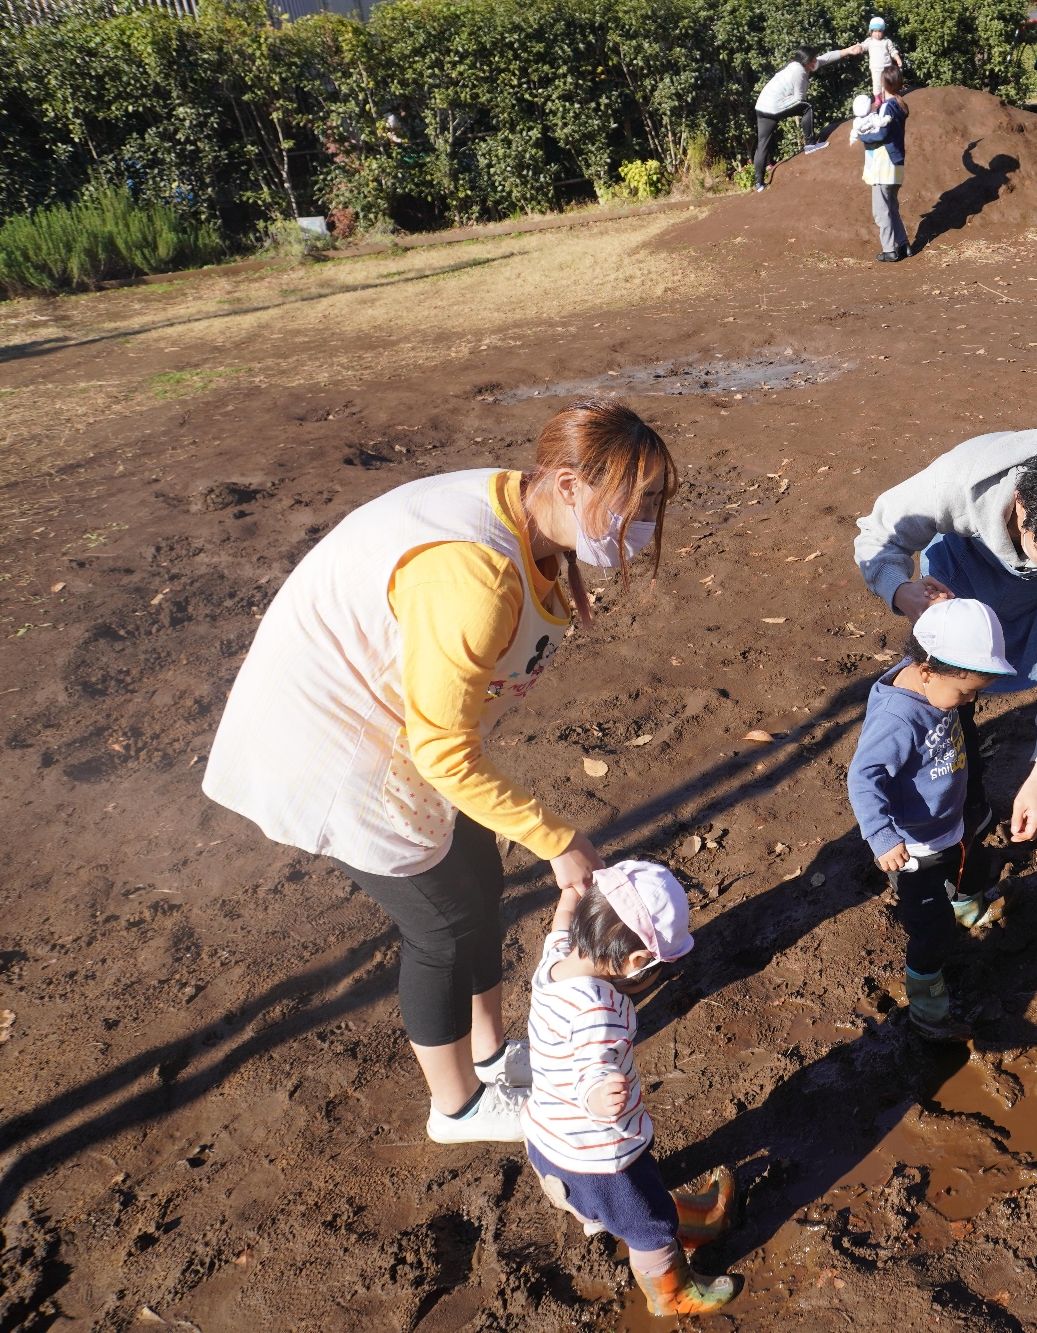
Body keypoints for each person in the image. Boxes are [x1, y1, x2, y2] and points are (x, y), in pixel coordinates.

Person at [203, 400, 675, 1144]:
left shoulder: (526, 507)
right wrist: (557, 838)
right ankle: (455, 1105)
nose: (643, 522)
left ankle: (488, 1054)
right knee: (442, 927)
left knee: (479, 879)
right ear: (566, 484)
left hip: (399, 717)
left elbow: (448, 724)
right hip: (335, 735)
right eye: (633, 504)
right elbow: (443, 751)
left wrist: (560, 563)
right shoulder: (475, 577)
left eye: (652, 503)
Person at [854, 431, 1037, 878]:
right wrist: (899, 589)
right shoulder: (963, 479)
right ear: (1021, 507)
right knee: (950, 700)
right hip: (962, 583)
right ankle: (967, 803)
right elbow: (879, 533)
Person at [525, 862, 740, 1315]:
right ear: (635, 963)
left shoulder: (556, 960)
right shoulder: (598, 1009)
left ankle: (673, 1219)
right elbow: (591, 1062)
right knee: (649, 1226)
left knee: (632, 1205)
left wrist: (569, 893)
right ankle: (670, 1293)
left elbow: (561, 922)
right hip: (600, 1161)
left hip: (548, 1139)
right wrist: (599, 1093)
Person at [847, 600, 1014, 1041]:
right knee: (931, 932)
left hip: (951, 823)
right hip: (914, 847)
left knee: (971, 869)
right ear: (925, 670)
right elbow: (863, 777)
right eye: (965, 693)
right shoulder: (897, 718)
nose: (971, 701)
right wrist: (882, 837)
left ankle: (968, 910)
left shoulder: (935, 673)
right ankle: (928, 1011)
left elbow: (946, 636)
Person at [753, 43, 860, 193]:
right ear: (807, 62)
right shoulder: (800, 72)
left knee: (762, 143)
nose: (816, 61)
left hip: (762, 106)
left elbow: (825, 58)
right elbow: (799, 98)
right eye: (814, 59)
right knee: (807, 106)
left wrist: (848, 51)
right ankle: (810, 144)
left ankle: (759, 183)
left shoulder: (797, 64)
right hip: (774, 106)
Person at [859, 66, 909, 262]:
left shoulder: (887, 107)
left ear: (884, 83)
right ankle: (904, 245)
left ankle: (889, 250)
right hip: (896, 165)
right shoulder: (900, 105)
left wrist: (863, 136)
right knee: (892, 208)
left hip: (884, 165)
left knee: (881, 211)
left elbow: (881, 133)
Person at [862, 15, 904, 97]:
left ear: (883, 31)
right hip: (875, 68)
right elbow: (863, 46)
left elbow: (893, 51)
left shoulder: (887, 41)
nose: (877, 34)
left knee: (886, 84)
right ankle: (877, 98)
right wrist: (858, 47)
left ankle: (886, 97)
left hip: (887, 68)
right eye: (875, 31)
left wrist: (898, 58)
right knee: (877, 84)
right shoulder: (869, 41)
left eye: (879, 31)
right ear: (871, 32)